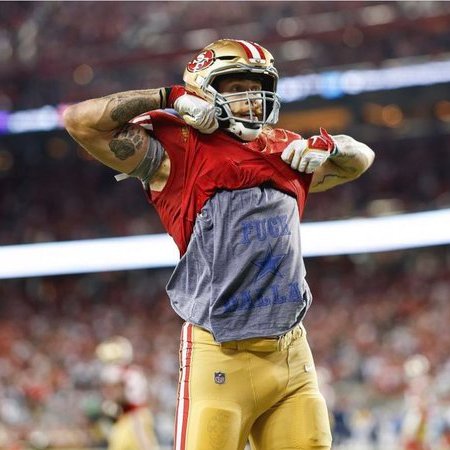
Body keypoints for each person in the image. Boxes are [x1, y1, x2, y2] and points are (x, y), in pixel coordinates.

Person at [64, 38, 375, 450]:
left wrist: (333, 145)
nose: (252, 100)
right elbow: (80, 121)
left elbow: (362, 159)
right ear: (204, 90)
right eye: (237, 88)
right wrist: (171, 97)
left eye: (257, 87)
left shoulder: (285, 149)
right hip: (219, 354)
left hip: (292, 353)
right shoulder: (179, 152)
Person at [96, 336, 160, 450]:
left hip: (134, 416)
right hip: (135, 415)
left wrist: (112, 405)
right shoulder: (135, 372)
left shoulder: (122, 374)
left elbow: (121, 396)